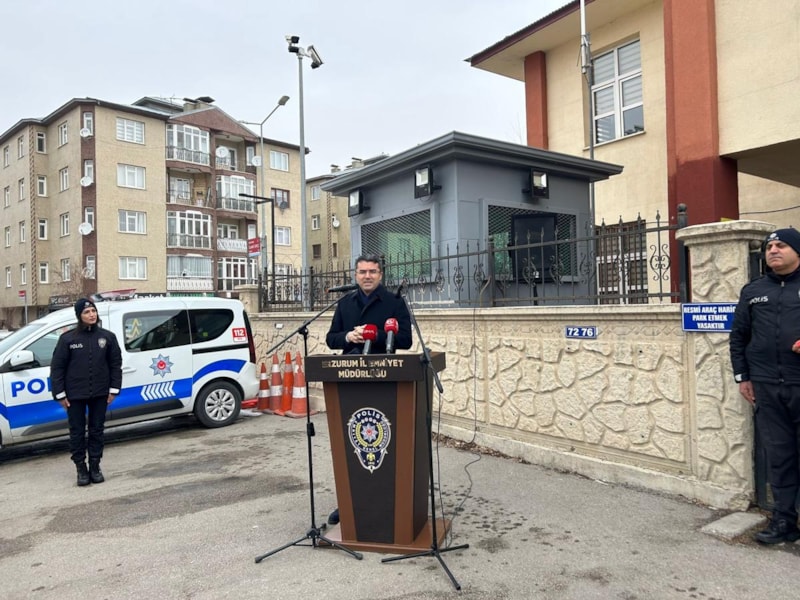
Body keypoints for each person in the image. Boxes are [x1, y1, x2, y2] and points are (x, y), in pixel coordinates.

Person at [324, 254, 413, 524]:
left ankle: (387, 502)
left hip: (384, 380)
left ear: (380, 275)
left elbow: (406, 340)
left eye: (372, 271)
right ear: (355, 275)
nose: (367, 276)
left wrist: (376, 335)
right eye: (362, 271)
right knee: (352, 442)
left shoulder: (394, 302)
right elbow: (331, 339)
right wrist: (349, 336)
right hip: (350, 380)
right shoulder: (345, 303)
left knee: (382, 443)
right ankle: (349, 503)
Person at [730, 228, 800, 544]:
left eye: (781, 245)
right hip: (767, 386)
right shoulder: (753, 290)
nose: (773, 250)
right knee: (779, 456)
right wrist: (742, 376)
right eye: (769, 246)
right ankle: (784, 521)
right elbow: (738, 337)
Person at [51, 298, 123, 487]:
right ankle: (81, 468)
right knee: (77, 432)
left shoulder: (108, 337)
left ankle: (95, 466)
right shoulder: (68, 339)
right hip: (74, 395)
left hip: (100, 393)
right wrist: (60, 394)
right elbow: (57, 368)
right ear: (79, 316)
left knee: (96, 430)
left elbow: (115, 364)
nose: (92, 315)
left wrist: (114, 390)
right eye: (87, 312)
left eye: (93, 311)